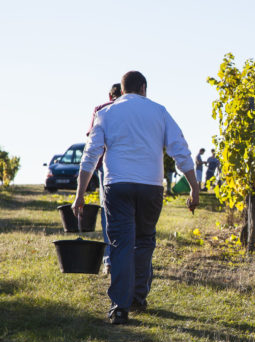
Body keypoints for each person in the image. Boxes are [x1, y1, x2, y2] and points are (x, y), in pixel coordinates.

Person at [73, 71, 199, 325]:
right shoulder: (159, 111)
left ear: (121, 89)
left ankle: (120, 306)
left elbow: (90, 155)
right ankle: (138, 297)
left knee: (120, 244)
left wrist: (80, 195)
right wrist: (194, 187)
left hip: (117, 185)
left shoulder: (106, 113)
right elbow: (180, 149)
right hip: (151, 187)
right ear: (143, 88)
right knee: (144, 240)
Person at [88, 83, 122, 274]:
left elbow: (91, 139)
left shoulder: (101, 110)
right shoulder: (131, 110)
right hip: (126, 169)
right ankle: (125, 256)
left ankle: (109, 260)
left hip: (105, 169)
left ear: (110, 95)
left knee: (106, 213)